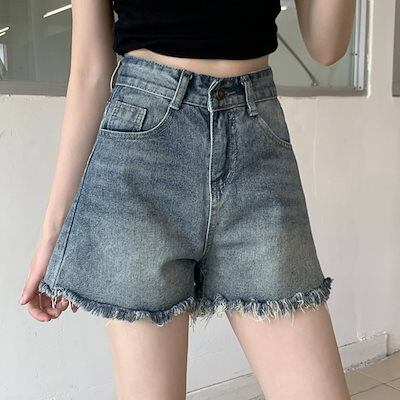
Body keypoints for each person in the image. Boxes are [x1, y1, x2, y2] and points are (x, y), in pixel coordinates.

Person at [19, 1, 356, 399]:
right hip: (142, 150)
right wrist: (54, 231)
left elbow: (327, 47)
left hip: (257, 144)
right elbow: (90, 70)